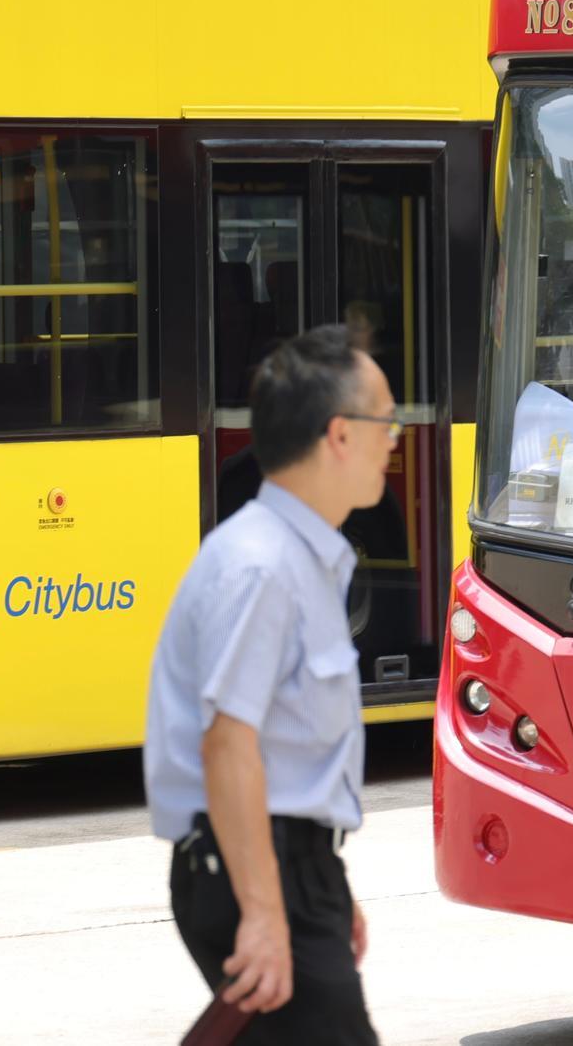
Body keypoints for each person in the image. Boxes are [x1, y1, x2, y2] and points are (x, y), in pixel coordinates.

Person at [145, 324, 401, 1045]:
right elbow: (228, 744)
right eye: (386, 418)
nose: (398, 438)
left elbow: (288, 755)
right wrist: (265, 911)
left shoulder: (302, 559)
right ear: (339, 434)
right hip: (250, 870)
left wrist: (325, 885)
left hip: (290, 867)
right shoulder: (261, 568)